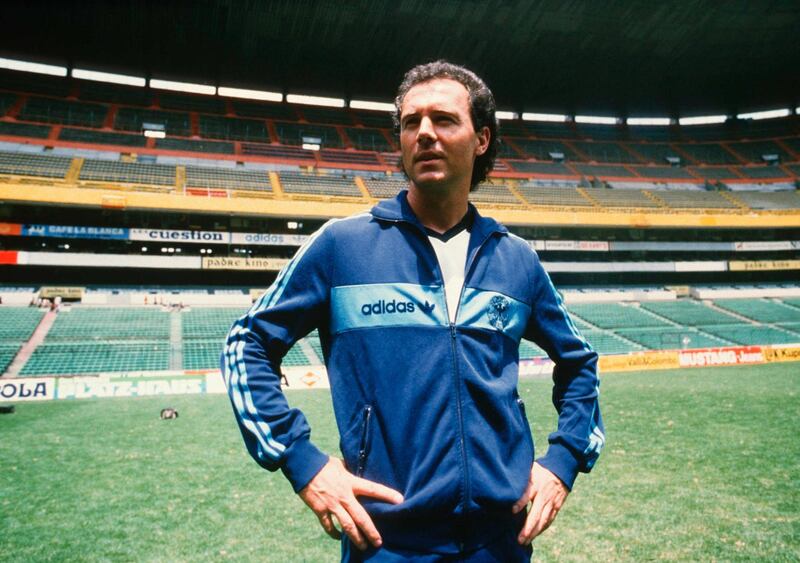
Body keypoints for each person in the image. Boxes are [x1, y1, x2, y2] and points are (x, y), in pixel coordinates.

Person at [222, 60, 604, 562]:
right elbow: (245, 344)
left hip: (501, 542)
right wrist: (302, 461)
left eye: (444, 120)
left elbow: (579, 363)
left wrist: (562, 462)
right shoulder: (343, 246)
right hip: (386, 542)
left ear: (482, 139)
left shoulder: (516, 260)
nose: (424, 132)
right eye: (410, 122)